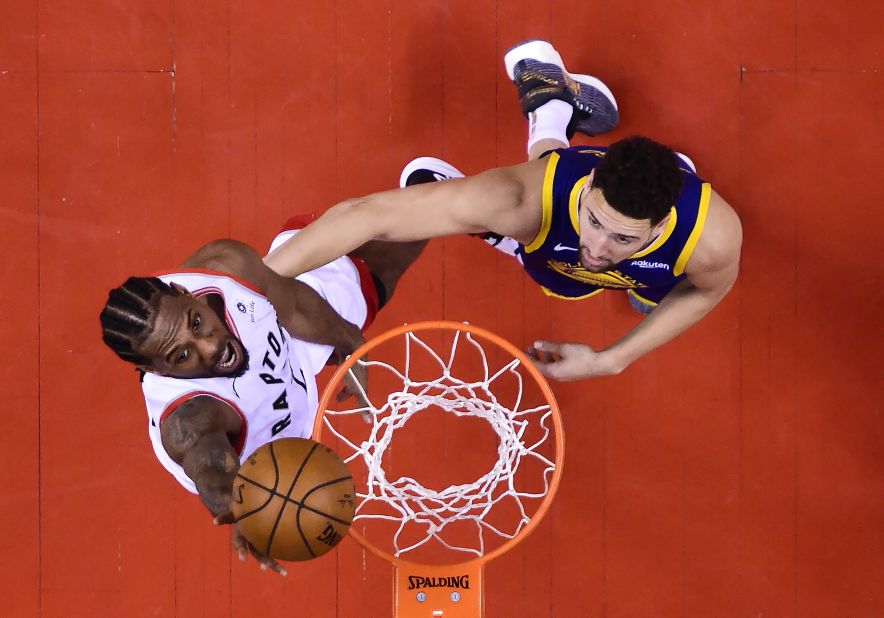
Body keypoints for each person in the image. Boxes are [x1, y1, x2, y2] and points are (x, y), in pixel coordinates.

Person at [264, 39, 742, 381]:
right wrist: (251, 284)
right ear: (591, 180)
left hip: (622, 239)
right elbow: (365, 215)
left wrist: (609, 359)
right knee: (537, 215)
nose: (594, 247)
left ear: (661, 223)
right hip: (543, 208)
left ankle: (553, 100)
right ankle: (548, 108)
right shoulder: (519, 199)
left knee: (655, 289)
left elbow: (705, 292)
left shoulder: (712, 240)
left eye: (623, 238)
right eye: (594, 220)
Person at [99, 215, 426, 574]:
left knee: (372, 284)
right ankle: (319, 235)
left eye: (196, 322)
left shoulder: (224, 266)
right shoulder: (188, 419)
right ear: (155, 371)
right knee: (371, 273)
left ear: (184, 292)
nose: (209, 347)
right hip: (265, 446)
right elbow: (208, 466)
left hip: (284, 349)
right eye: (181, 355)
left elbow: (296, 305)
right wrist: (241, 505)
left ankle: (407, 196)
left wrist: (350, 342)